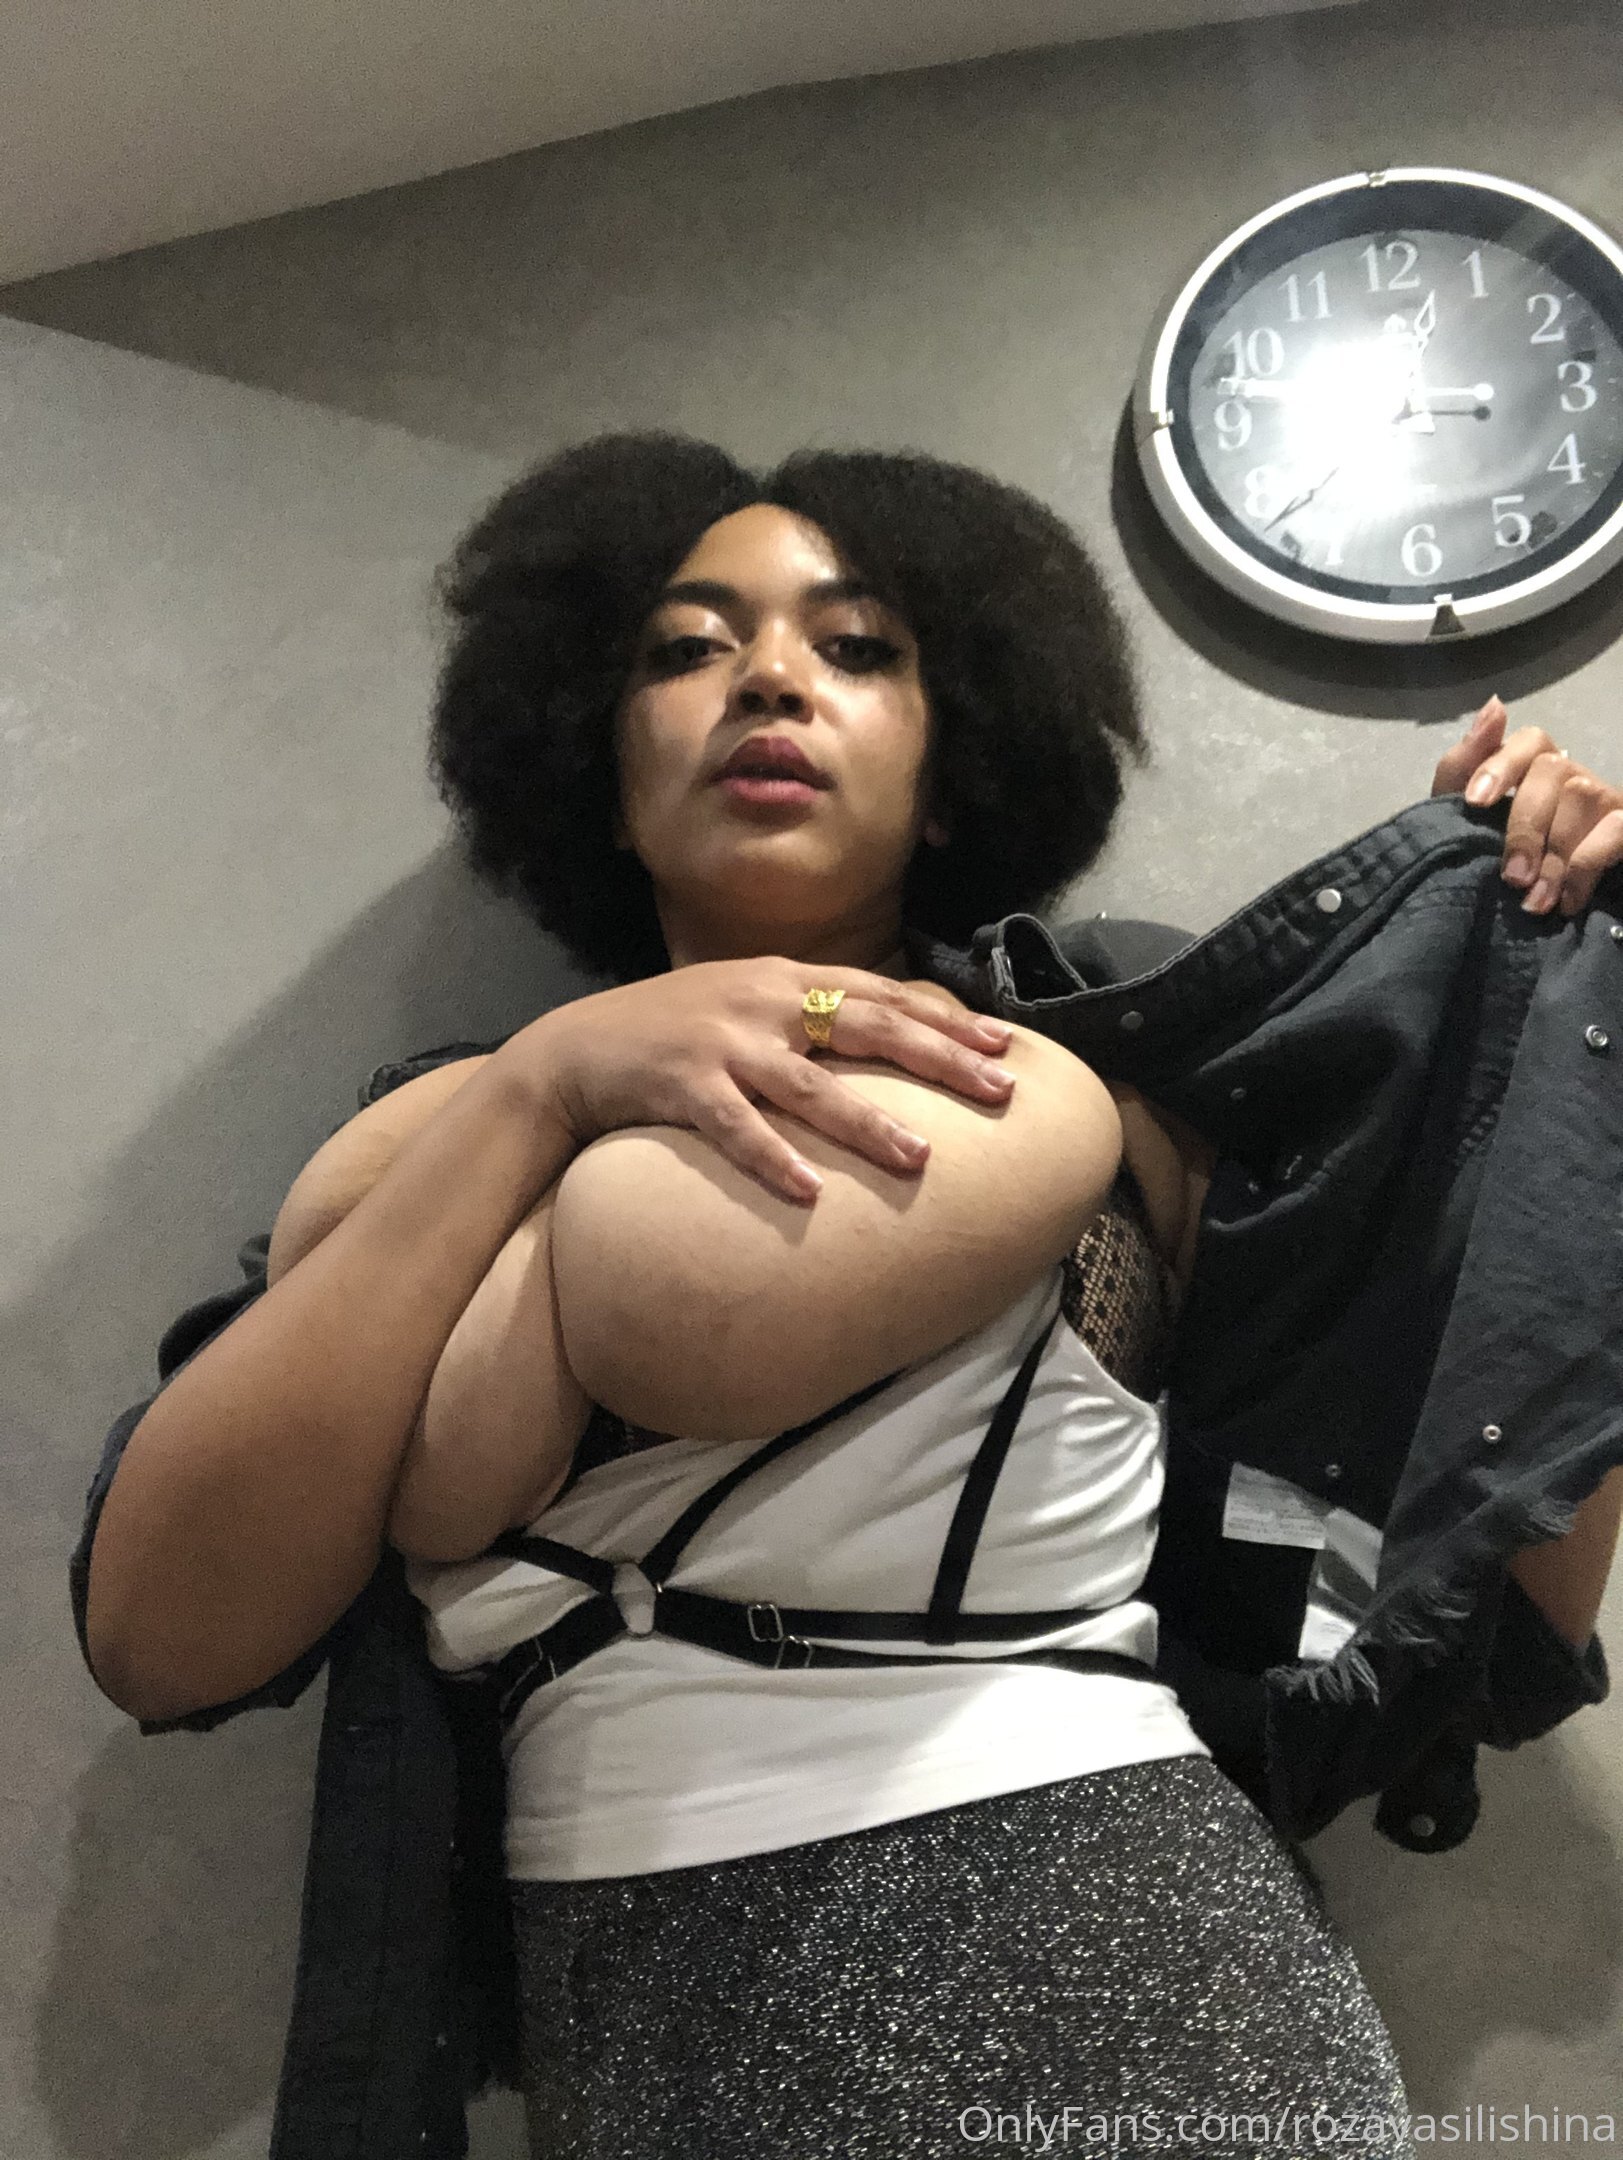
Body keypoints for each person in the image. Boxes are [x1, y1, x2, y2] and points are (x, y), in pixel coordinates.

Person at [83, 433, 1623, 2160]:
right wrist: (546, 1085)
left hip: (1135, 1994)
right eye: (686, 646)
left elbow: (1433, 1576)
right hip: (637, 2050)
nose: (767, 678)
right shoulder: (430, 1137)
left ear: (950, 773)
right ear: (599, 774)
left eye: (857, 645)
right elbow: (162, 1634)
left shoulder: (1122, 1080)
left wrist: (1555, 1029)